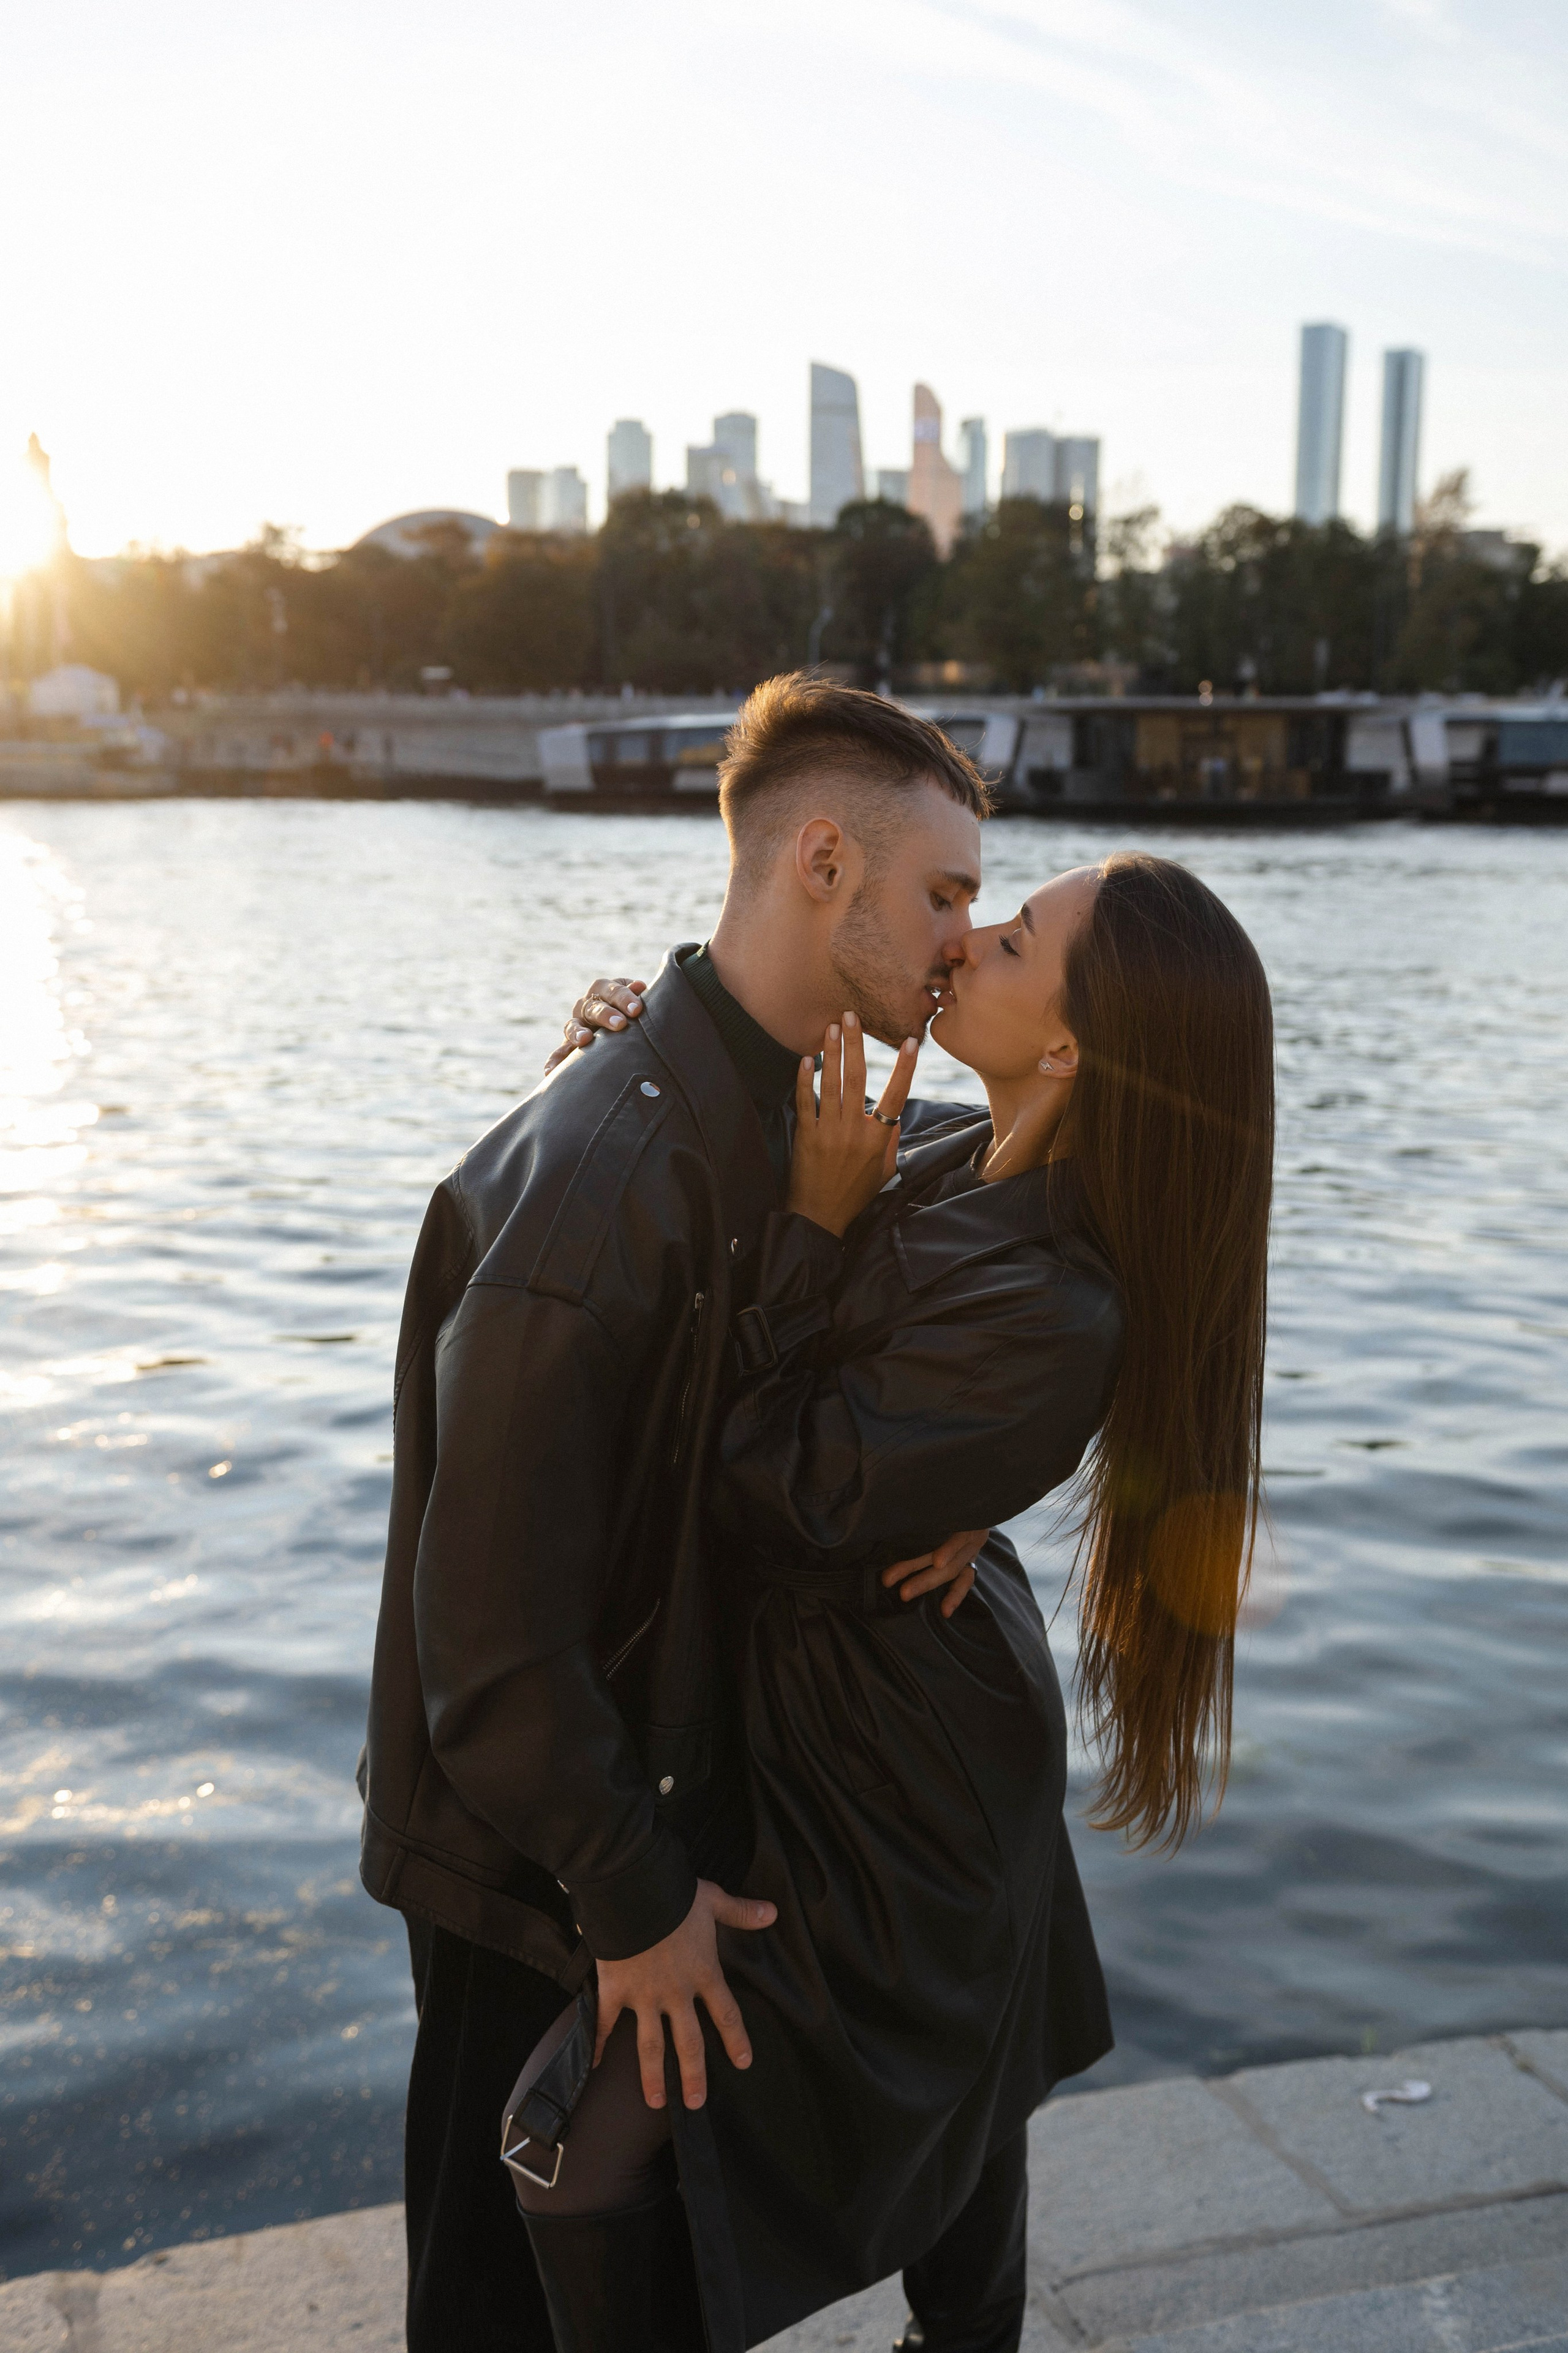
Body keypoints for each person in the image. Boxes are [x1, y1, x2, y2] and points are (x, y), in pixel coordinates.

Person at [542, 848, 1274, 2349]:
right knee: (962, 2086)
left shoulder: (1060, 1303)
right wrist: (630, 1044)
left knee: (586, 2149)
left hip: (899, 1764)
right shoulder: (953, 1148)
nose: (958, 948)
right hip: (882, 1699)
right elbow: (757, 1153)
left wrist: (815, 1230)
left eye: (1005, 943)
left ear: (1068, 1044)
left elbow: (762, 1478)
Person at [358, 674, 1002, 2353]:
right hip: (541, 1873)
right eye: (943, 895)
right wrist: (634, 1896)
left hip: (628, 1835)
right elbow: (488, 1640)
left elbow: (1022, 1213)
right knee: (495, 2306)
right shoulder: (605, 1180)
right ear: (821, 864)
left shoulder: (766, 1114)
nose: (957, 939)